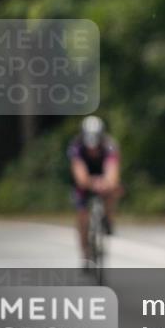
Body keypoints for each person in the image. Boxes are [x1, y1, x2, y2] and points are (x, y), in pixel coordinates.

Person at [67, 115, 121, 268]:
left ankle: (108, 220)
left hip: (103, 176)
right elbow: (80, 175)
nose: (93, 149)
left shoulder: (110, 146)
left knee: (113, 191)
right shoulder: (76, 147)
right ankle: (85, 252)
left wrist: (108, 183)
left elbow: (112, 172)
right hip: (85, 179)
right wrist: (89, 183)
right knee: (82, 216)